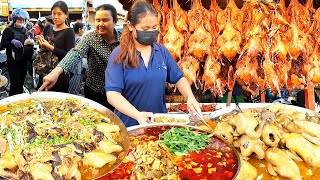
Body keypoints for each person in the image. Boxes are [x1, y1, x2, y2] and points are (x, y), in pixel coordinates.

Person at [105, 0, 201, 127]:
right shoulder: (119, 55)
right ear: (130, 26)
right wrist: (138, 115)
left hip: (159, 124)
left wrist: (190, 97)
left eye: (155, 27)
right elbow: (112, 95)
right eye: (145, 28)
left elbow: (179, 78)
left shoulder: (161, 51)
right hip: (130, 125)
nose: (151, 32)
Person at [38, 4, 120, 111]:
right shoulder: (90, 38)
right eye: (97, 20)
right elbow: (75, 53)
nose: (100, 24)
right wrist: (56, 72)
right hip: (94, 90)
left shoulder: (125, 40)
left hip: (118, 91)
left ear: (115, 21)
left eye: (105, 20)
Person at [35, 0, 75, 92]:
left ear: (66, 15)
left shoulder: (69, 32)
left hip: (59, 75)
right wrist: (40, 42)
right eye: (54, 13)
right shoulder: (47, 28)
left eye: (59, 14)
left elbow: (69, 56)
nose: (56, 17)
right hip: (44, 71)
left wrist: (50, 47)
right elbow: (43, 50)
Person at [0, 8, 34, 95]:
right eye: (20, 19)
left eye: (23, 20)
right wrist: (11, 42)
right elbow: (2, 45)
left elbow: (28, 43)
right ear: (14, 19)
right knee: (14, 84)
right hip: (12, 62)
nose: (22, 21)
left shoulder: (24, 30)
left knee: (21, 83)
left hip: (23, 61)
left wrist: (30, 38)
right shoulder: (8, 30)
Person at [68, 22, 84, 94]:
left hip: (69, 65)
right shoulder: (80, 40)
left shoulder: (72, 38)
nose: (83, 31)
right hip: (76, 66)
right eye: (83, 29)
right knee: (74, 87)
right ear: (80, 30)